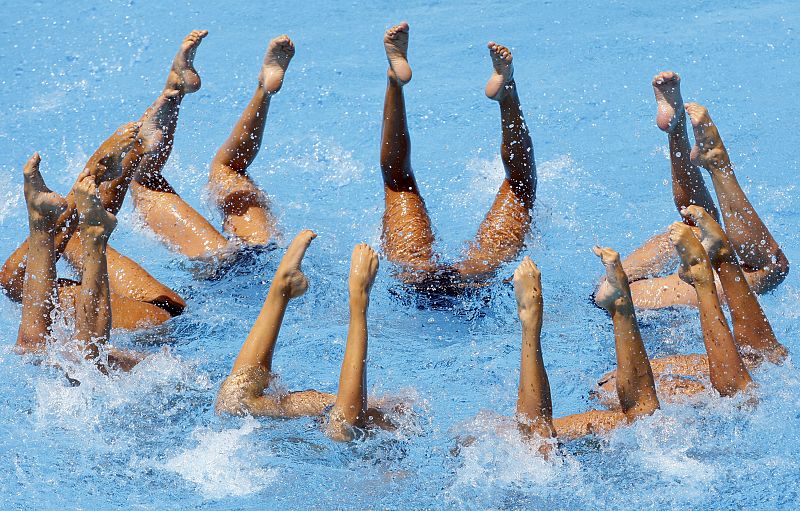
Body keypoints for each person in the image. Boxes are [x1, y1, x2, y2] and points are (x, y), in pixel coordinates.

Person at [595, 75, 788, 309]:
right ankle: (715, 163)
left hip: (614, 292)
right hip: (623, 304)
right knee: (771, 267)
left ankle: (678, 130)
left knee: (697, 227)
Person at [379, 23, 536, 292]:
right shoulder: (479, 272)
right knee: (520, 187)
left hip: (414, 281)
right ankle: (507, 92)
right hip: (475, 278)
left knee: (399, 182)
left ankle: (395, 80)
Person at [595, 205, 785, 407]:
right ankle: (716, 264)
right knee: (754, 375)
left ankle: (715, 265)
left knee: (748, 384)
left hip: (617, 348)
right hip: (620, 327)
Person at [215, 232, 395, 442]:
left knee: (342, 427)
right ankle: (283, 289)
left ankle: (358, 301)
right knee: (233, 401)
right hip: (351, 417)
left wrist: (360, 298)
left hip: (373, 428)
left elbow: (350, 423)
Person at [131, 34, 296, 258]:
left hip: (223, 268)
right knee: (229, 169)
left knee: (143, 181)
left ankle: (174, 90)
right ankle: (263, 91)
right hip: (270, 259)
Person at [16, 154, 142, 372]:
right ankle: (65, 228)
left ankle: (44, 224)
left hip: (148, 337)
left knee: (39, 351)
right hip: (154, 334)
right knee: (82, 362)